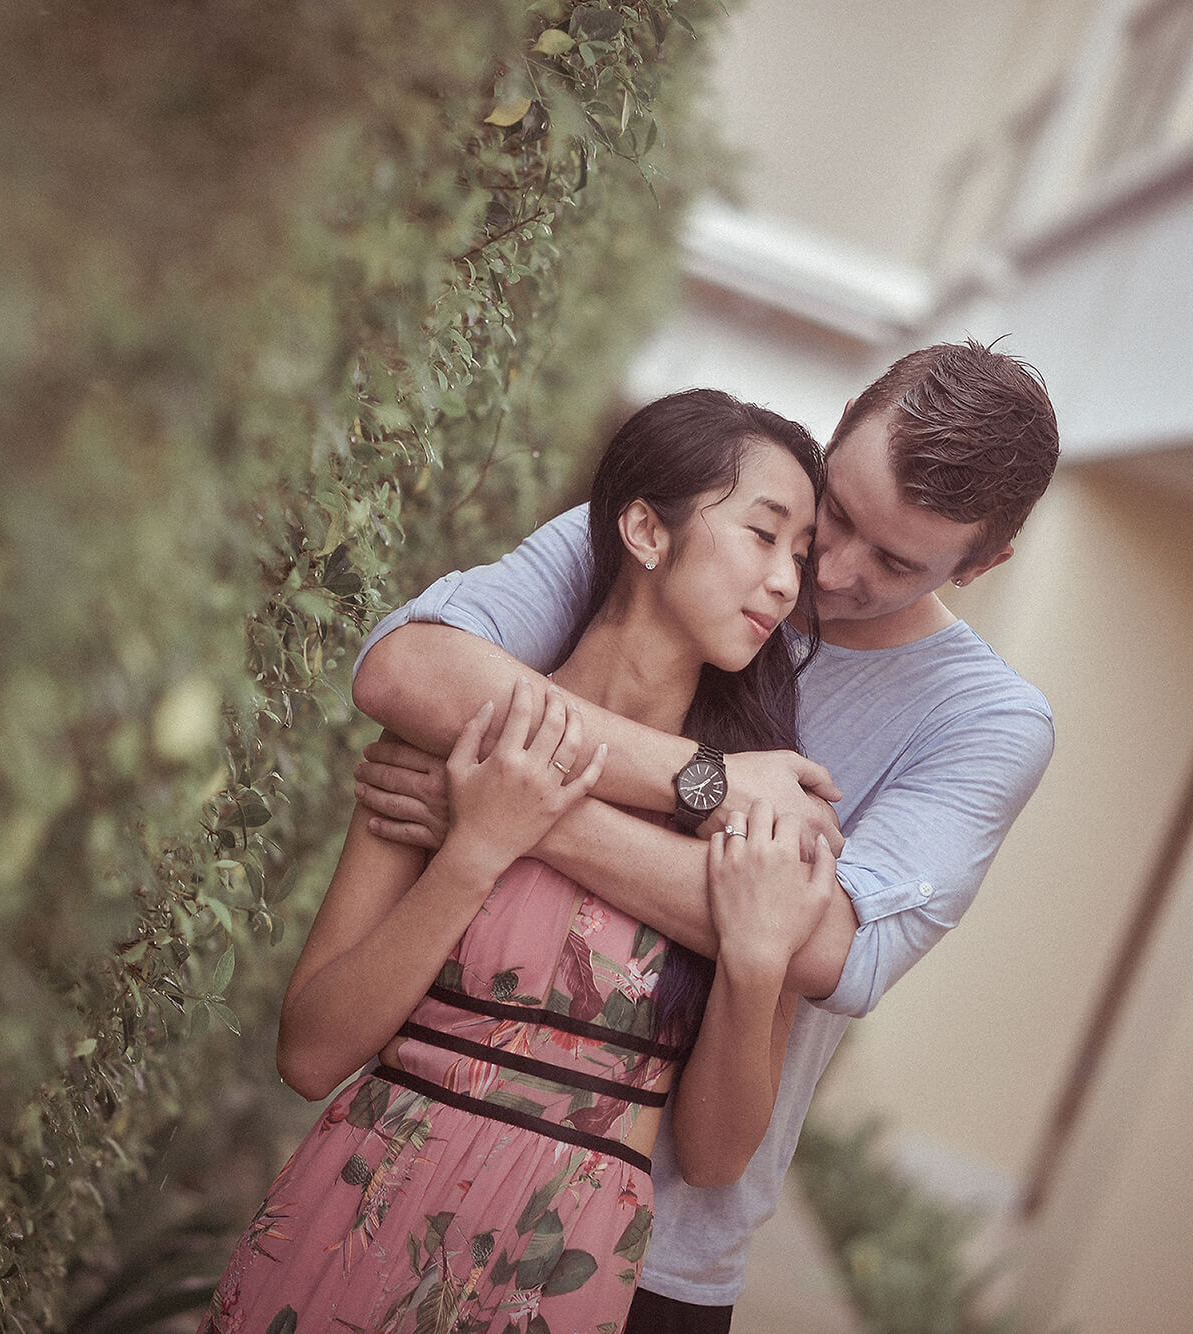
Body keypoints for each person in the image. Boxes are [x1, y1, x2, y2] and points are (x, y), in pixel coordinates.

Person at [349, 340, 1060, 1331]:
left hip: (660, 1252)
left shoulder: (984, 722)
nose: (828, 568)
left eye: (894, 560)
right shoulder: (674, 529)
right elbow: (407, 675)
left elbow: (831, 948)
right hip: (429, 1150)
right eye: (838, 512)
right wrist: (706, 783)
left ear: (981, 564)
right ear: (841, 416)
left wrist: (519, 813)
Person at [200, 390, 839, 1332]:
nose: (787, 582)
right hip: (355, 1215)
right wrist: (475, 851)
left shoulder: (762, 819)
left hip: (561, 1262)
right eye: (762, 534)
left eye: (801, 556)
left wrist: (751, 964)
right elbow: (311, 1052)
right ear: (644, 532)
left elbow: (710, 1160)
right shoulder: (455, 743)